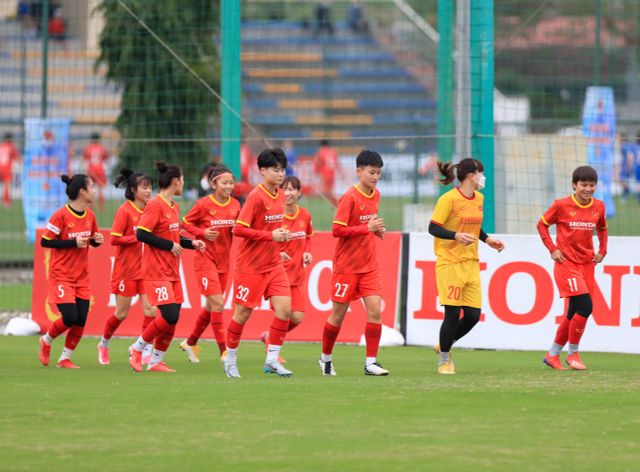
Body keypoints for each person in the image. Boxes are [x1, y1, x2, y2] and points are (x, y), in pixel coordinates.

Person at [428, 158, 505, 375]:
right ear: (471, 175)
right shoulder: (448, 199)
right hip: (449, 262)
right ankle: (444, 360)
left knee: (472, 315)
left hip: (471, 263)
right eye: (481, 173)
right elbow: (433, 228)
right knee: (451, 314)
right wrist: (455, 236)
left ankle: (444, 343)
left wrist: (488, 240)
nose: (483, 177)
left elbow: (474, 225)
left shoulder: (479, 198)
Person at [127, 162, 205, 373]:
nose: (183, 184)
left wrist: (191, 243)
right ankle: (137, 348)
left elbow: (172, 236)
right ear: (175, 181)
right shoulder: (155, 204)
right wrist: (170, 245)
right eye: (182, 180)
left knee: (173, 318)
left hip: (172, 271)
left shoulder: (174, 206)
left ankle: (155, 361)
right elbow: (142, 234)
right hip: (156, 271)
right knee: (169, 315)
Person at [223, 148, 293, 378]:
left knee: (285, 310)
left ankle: (272, 359)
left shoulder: (281, 196)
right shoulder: (256, 197)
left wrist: (277, 246)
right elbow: (239, 229)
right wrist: (270, 237)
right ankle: (230, 360)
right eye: (275, 169)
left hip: (273, 264)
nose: (280, 173)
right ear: (263, 171)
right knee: (242, 314)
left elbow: (270, 229)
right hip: (250, 267)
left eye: (282, 169)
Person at [319, 150, 389, 377]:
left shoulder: (376, 195)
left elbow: (367, 226)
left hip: (369, 264)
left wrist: (376, 231)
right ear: (359, 171)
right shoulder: (349, 197)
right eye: (371, 172)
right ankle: (325, 358)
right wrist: (365, 229)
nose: (375, 176)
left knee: (375, 311)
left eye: (378, 173)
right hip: (346, 267)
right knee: (337, 315)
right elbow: (337, 230)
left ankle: (371, 362)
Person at [538, 166, 608, 371]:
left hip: (587, 264)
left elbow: (602, 228)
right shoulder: (561, 205)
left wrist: (603, 250)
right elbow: (541, 225)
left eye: (591, 185)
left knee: (573, 312)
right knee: (586, 307)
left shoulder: (599, 206)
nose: (588, 189)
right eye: (583, 185)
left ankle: (552, 355)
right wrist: (552, 248)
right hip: (566, 263)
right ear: (574, 185)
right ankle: (573, 353)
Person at [38, 174, 104, 368]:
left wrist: (95, 242)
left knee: (81, 319)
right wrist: (73, 242)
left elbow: (90, 239)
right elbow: (45, 241)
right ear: (82, 192)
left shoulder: (90, 215)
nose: (94, 191)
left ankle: (64, 358)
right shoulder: (61, 215)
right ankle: (46, 340)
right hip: (62, 276)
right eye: (91, 187)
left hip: (81, 276)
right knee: (70, 317)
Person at [179, 165, 241, 363]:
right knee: (218, 304)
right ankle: (224, 351)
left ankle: (190, 342)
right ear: (214, 184)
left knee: (211, 306)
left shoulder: (236, 205)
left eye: (231, 182)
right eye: (225, 183)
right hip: (204, 259)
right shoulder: (204, 204)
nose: (229, 186)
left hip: (224, 261)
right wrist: (202, 233)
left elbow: (239, 229)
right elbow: (185, 223)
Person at [97, 168, 157, 365]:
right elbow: (114, 239)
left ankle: (142, 349)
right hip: (126, 270)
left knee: (151, 311)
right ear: (133, 190)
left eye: (150, 187)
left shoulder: (152, 208)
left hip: (146, 270)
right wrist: (138, 237)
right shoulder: (124, 211)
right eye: (144, 187)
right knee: (121, 313)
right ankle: (104, 344)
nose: (148, 191)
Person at [260, 176, 313, 355]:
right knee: (283, 314)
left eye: (292, 189)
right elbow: (262, 240)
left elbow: (308, 236)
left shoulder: (305, 215)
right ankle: (273, 352)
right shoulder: (274, 215)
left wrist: (307, 251)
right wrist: (275, 253)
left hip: (296, 276)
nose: (288, 193)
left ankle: (270, 337)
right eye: (285, 189)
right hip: (277, 274)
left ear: (299, 193)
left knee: (297, 317)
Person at [82, 132, 109, 211]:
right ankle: (101, 208)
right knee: (100, 189)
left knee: (90, 189)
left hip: (91, 170)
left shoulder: (88, 148)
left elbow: (85, 158)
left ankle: (91, 207)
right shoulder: (102, 148)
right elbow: (105, 158)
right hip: (100, 170)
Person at [314, 139, 339, 206]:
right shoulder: (332, 152)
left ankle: (337, 204)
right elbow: (336, 163)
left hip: (325, 174)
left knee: (325, 192)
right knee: (328, 192)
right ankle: (335, 204)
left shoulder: (320, 152)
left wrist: (316, 172)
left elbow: (317, 163)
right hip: (332, 174)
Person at [0, 132, 20, 208]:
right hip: (6, 168)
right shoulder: (11, 146)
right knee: (7, 185)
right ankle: (6, 201)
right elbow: (17, 157)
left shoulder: (1, 146)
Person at [618, 134, 636, 201]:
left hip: (627, 165)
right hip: (627, 164)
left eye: (618, 137)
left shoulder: (624, 145)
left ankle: (627, 192)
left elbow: (630, 156)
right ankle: (627, 192)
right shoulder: (625, 145)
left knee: (621, 179)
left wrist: (629, 165)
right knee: (622, 179)